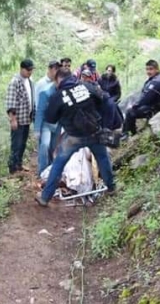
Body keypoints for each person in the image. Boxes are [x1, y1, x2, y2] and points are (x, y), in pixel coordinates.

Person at [35, 66, 115, 206]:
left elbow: (50, 119)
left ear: (58, 80)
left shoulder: (57, 96)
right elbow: (103, 100)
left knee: (58, 164)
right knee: (103, 158)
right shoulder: (87, 86)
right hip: (94, 132)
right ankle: (111, 187)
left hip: (73, 137)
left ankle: (45, 197)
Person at [121, 60, 160, 137]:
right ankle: (128, 132)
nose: (148, 71)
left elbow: (147, 98)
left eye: (151, 69)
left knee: (130, 112)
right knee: (131, 110)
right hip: (151, 106)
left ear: (157, 69)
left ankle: (128, 134)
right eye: (147, 69)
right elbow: (144, 95)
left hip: (154, 108)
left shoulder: (157, 82)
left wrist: (135, 105)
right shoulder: (154, 79)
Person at [5, 59, 35, 175]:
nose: (30, 72)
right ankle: (13, 169)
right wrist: (13, 119)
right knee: (16, 145)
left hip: (26, 118)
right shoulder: (15, 82)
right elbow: (11, 102)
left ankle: (19, 165)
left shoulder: (30, 81)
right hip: (18, 119)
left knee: (22, 143)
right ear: (22, 69)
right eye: (28, 70)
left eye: (31, 70)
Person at [34, 60, 61, 177]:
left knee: (53, 148)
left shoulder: (63, 91)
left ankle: (49, 170)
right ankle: (42, 171)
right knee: (44, 145)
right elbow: (39, 110)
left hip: (57, 123)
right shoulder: (45, 91)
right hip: (46, 123)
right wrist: (37, 129)